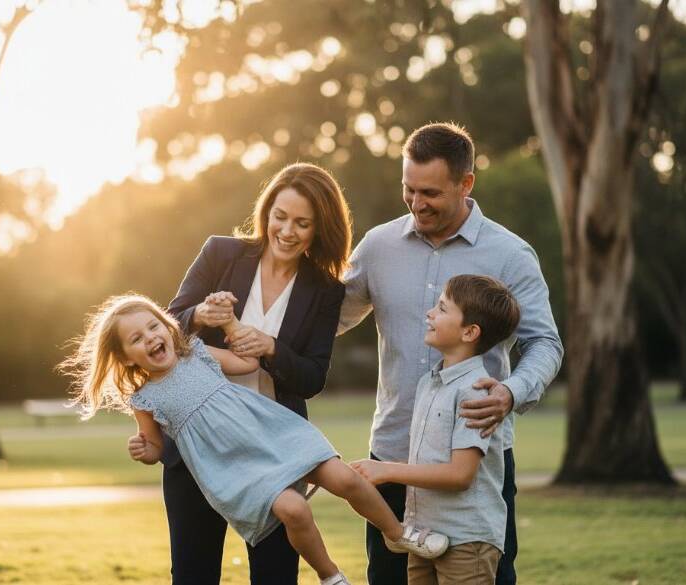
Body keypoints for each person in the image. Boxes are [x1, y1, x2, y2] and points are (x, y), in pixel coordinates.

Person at [62, 294, 449, 585]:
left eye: (153, 327)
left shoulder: (195, 352)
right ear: (127, 357)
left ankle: (397, 534)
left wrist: (231, 326)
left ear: (167, 326)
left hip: (270, 433)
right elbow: (157, 447)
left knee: (347, 478)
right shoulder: (144, 398)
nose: (149, 338)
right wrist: (144, 451)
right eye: (136, 339)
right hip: (235, 467)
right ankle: (331, 576)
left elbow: (247, 363)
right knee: (294, 511)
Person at [339, 122, 563, 585]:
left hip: (477, 468)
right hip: (392, 459)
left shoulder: (511, 255)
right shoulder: (377, 247)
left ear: (466, 184)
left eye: (431, 193)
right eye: (409, 189)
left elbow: (544, 343)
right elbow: (327, 319)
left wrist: (511, 392)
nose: (417, 203)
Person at [164, 162, 354, 585]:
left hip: (274, 452)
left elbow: (312, 378)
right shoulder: (221, 253)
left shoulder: (326, 290)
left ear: (319, 229)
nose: (287, 231)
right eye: (280, 217)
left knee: (276, 576)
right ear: (266, 212)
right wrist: (198, 314)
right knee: (193, 575)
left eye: (302, 223)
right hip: (198, 445)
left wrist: (271, 349)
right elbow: (167, 326)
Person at [353, 274, 521, 585]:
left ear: (470, 331)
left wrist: (387, 470)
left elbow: (460, 475)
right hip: (425, 537)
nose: (430, 313)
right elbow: (431, 463)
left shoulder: (475, 393)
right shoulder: (430, 383)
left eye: (442, 309)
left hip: (466, 542)